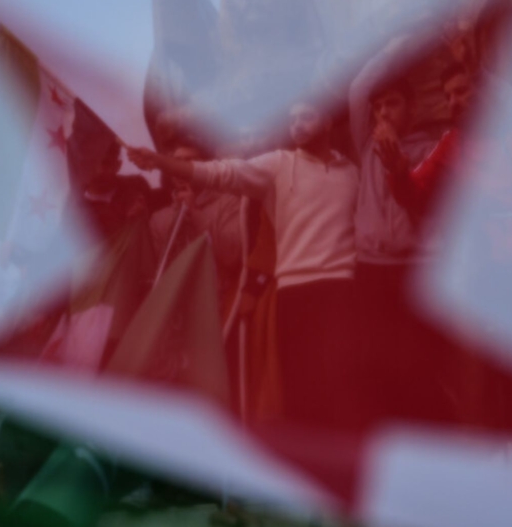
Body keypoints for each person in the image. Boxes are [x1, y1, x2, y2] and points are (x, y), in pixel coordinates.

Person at [128, 99, 359, 428]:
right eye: (291, 118)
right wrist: (159, 162)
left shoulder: (352, 173)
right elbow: (219, 173)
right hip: (294, 293)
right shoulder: (279, 165)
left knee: (343, 390)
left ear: (326, 123)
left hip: (342, 291)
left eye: (306, 115)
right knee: (300, 397)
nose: (297, 124)